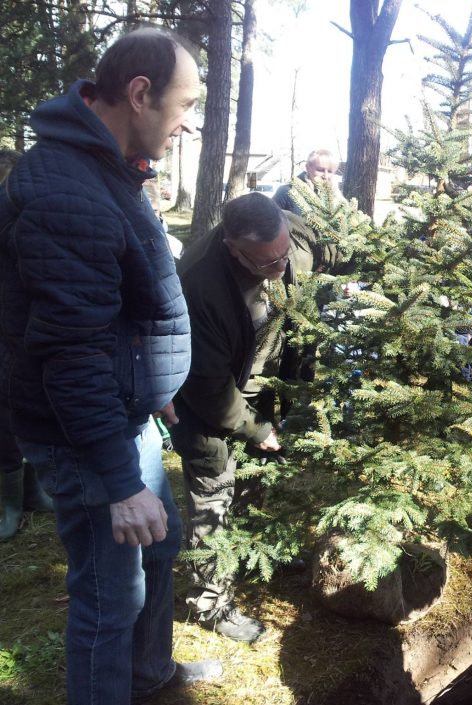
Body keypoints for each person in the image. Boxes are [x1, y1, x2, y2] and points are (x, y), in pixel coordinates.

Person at [0, 29, 222, 704]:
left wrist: (150, 377)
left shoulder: (107, 167)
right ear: (139, 93)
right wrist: (121, 484)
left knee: (160, 545)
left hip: (123, 410)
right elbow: (69, 352)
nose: (188, 124)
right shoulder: (66, 190)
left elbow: (116, 305)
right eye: (185, 104)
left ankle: (149, 673)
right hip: (81, 431)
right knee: (108, 591)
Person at [170, 192, 321, 643]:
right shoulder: (199, 285)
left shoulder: (291, 230)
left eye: (283, 253)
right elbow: (208, 388)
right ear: (233, 247)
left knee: (257, 479)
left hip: (271, 384)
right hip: (212, 404)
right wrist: (257, 428)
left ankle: (255, 552)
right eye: (266, 264)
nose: (280, 266)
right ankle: (210, 602)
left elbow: (333, 251)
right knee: (214, 493)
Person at [0, 149, 55, 541]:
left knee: (32, 409)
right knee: (3, 420)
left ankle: (33, 491)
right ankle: (10, 504)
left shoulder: (33, 216)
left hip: (25, 330)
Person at [273, 148, 340, 216]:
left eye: (330, 171)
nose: (325, 176)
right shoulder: (287, 192)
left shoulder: (336, 198)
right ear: (308, 167)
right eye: (320, 170)